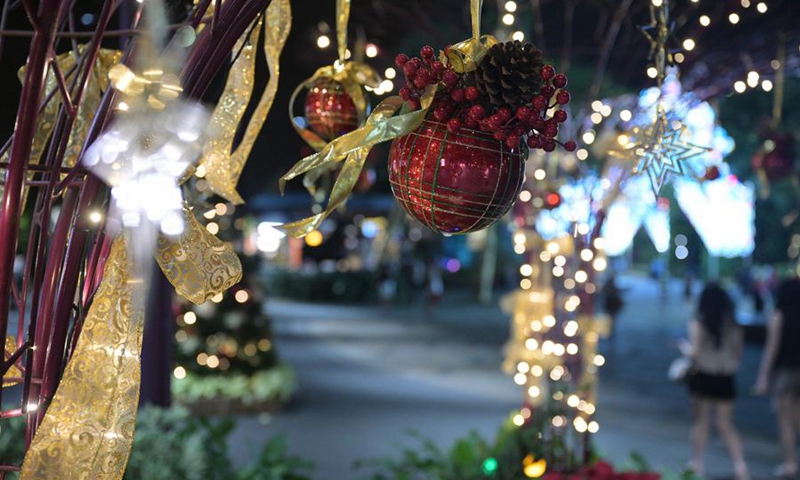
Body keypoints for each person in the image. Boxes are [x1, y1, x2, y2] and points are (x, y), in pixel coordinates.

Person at [682, 283, 749, 480]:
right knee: (726, 425)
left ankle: (697, 464)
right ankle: (740, 466)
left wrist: (683, 348)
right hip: (726, 377)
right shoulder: (734, 325)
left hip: (704, 376)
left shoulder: (699, 323)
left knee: (701, 422)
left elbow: (694, 353)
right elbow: (738, 354)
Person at [755, 277, 800, 478]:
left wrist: (763, 378)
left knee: (785, 421)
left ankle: (790, 463)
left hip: (786, 373)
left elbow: (771, 349)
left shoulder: (778, 316)